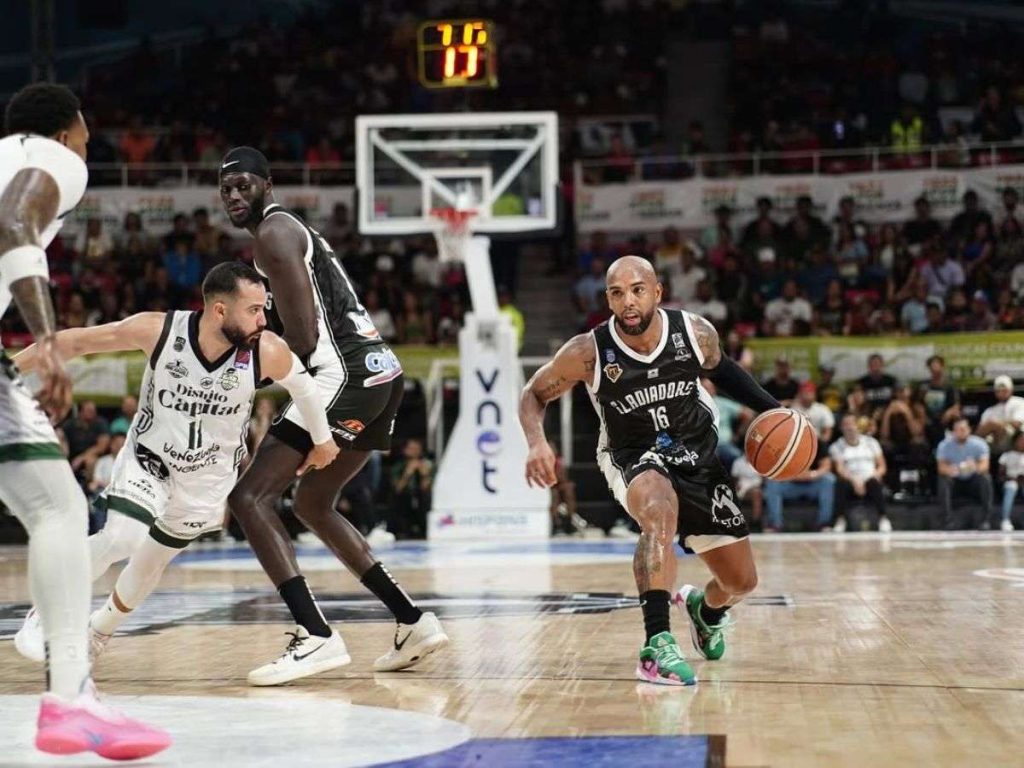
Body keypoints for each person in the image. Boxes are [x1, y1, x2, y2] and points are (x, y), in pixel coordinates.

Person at [14, 262, 339, 666]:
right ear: (220, 310)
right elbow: (76, 342)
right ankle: (45, 610)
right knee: (123, 537)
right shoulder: (160, 331)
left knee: (152, 561)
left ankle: (99, 631)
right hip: (149, 459)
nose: (263, 319)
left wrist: (323, 441)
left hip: (206, 479)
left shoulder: (265, 350)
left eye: (264, 308)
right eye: (254, 309)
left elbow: (305, 388)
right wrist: (11, 369)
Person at [218, 147, 447, 684]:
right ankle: (412, 620)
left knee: (249, 498)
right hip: (379, 374)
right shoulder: (285, 235)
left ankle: (315, 634)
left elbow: (301, 338)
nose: (233, 196)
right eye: (225, 188)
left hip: (343, 376)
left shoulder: (275, 234)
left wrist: (240, 373)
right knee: (314, 503)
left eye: (243, 185)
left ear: (267, 185)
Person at [0, 81, 169, 757]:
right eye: (89, 134)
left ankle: (74, 696)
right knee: (58, 511)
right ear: (70, 130)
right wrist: (46, 338)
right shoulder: (57, 159)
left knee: (54, 507)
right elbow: (13, 224)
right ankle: (70, 700)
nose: (89, 144)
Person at [520, 255, 780, 686]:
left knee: (741, 581)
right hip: (633, 453)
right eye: (617, 293)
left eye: (638, 290)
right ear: (608, 299)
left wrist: (777, 411)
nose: (628, 302)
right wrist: (536, 441)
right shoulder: (588, 352)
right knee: (658, 509)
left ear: (657, 292)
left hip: (696, 453)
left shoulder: (694, 333)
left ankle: (705, 610)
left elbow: (725, 372)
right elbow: (533, 393)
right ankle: (656, 643)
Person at [830, 414, 890, 532]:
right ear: (841, 428)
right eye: (846, 425)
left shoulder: (871, 442)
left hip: (870, 477)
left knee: (875, 483)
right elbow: (840, 469)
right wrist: (854, 480)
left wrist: (874, 475)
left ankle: (883, 518)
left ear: (858, 426)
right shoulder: (836, 446)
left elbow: (882, 466)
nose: (850, 427)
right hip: (851, 479)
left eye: (852, 424)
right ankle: (840, 520)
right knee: (841, 483)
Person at [763, 442, 835, 532]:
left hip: (812, 485)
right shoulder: (785, 442)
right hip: (790, 485)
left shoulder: (818, 442)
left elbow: (826, 466)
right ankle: (775, 524)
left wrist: (812, 475)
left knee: (829, 479)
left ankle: (824, 523)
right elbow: (777, 468)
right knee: (772, 481)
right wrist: (796, 475)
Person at [936, 418, 993, 530]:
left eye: (963, 429)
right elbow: (941, 467)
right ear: (953, 432)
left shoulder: (980, 444)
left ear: (969, 430)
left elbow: (985, 466)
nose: (960, 432)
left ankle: (985, 520)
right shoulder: (944, 445)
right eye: (957, 430)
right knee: (943, 480)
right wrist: (950, 470)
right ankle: (947, 521)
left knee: (986, 479)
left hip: (972, 479)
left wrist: (974, 467)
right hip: (955, 480)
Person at [976, 375, 1024, 455]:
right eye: (999, 391)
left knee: (993, 424)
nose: (1001, 393)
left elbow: (1017, 423)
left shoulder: (1019, 402)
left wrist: (997, 425)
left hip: (1015, 435)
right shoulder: (990, 410)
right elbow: (981, 429)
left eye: (1004, 390)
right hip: (993, 439)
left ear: (1011, 390)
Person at [998, 430, 1024, 532]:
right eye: (1021, 440)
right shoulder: (1006, 456)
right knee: (1011, 486)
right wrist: (1010, 478)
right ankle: (1005, 519)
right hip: (1010, 481)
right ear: (1015, 441)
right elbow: (1001, 475)